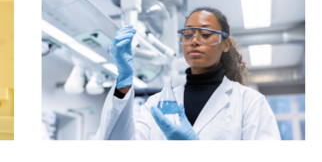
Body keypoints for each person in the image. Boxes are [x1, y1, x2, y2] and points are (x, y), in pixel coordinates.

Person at [95, 7, 278, 140]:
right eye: (187, 34)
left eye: (205, 34)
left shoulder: (250, 103)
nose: (194, 41)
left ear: (226, 44)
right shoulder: (157, 103)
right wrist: (124, 80)